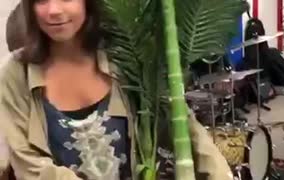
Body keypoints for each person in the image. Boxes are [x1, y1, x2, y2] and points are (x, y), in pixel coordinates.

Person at [0, 0, 232, 180]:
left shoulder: (126, 55)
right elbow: (28, 164)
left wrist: (219, 174)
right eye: (41, 0)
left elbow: (183, 126)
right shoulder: (16, 74)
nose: (53, 10)